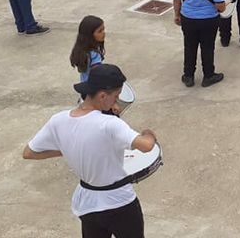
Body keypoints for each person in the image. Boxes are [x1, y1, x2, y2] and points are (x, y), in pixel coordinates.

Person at [23, 64, 157, 238]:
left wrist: (67, 148)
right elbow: (146, 146)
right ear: (102, 96)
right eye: (115, 97)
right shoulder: (109, 124)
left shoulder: (58, 121)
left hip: (87, 203)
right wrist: (149, 134)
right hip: (119, 202)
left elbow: (29, 152)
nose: (116, 103)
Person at [173, 0, 226, 88]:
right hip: (208, 20)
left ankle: (188, 76)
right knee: (207, 47)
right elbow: (220, 6)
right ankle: (208, 75)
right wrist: (224, 7)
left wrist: (177, 15)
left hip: (188, 18)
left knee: (189, 47)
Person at [70, 16, 105, 83]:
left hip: (84, 83)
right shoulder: (94, 55)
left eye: (103, 29)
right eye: (100, 31)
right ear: (90, 35)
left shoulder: (80, 49)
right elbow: (97, 73)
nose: (103, 33)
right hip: (94, 87)